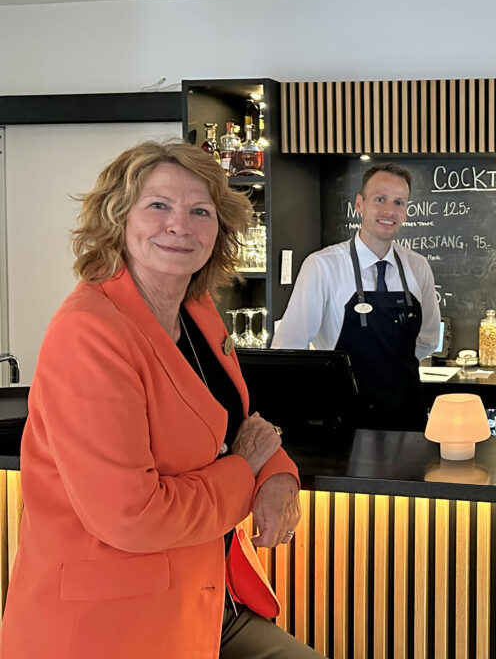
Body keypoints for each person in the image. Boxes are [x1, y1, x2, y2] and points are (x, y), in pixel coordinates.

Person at [0, 140, 322, 659]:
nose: (181, 225)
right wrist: (246, 471)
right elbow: (134, 515)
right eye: (158, 206)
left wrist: (278, 472)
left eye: (200, 211)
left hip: (204, 606)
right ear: (118, 219)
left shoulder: (197, 309)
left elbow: (236, 425)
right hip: (110, 625)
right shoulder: (88, 333)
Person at [271, 163, 440, 431]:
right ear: (359, 204)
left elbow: (428, 340)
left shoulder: (418, 266)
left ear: (406, 212)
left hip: (407, 420)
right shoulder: (322, 265)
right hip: (343, 421)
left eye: (399, 202)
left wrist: (388, 375)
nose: (389, 211)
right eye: (380, 199)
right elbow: (289, 350)